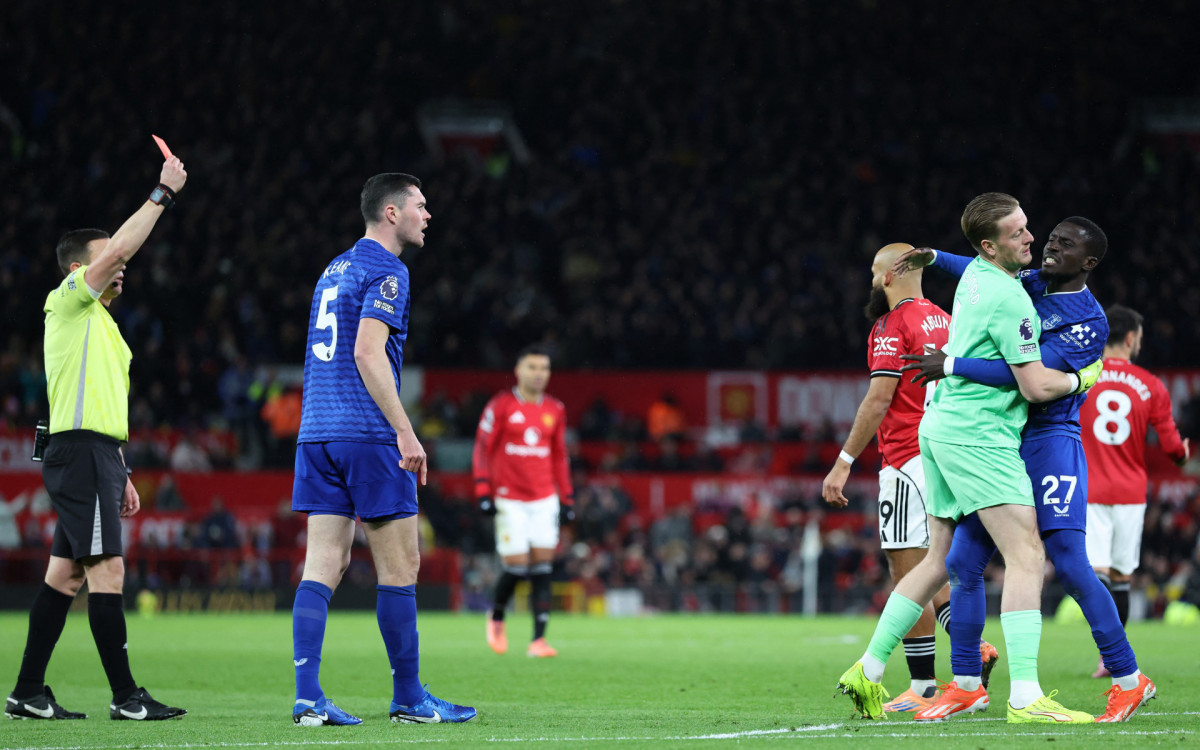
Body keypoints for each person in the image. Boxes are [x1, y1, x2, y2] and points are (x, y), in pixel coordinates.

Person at [835, 193, 1099, 724]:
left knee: (938, 560)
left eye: (1027, 227)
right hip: (980, 436)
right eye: (1018, 233)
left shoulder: (975, 275)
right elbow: (1034, 386)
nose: (1031, 238)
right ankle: (1025, 697)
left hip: (938, 429)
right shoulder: (1011, 300)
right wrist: (1083, 378)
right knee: (1027, 556)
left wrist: (934, 256)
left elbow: (960, 263)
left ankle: (868, 667)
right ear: (989, 246)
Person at [899, 220, 1156, 722]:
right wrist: (934, 257)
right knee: (962, 561)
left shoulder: (1089, 322)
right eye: (1052, 238)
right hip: (1003, 438)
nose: (1051, 246)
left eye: (1066, 244)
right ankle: (967, 684)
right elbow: (979, 268)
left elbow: (1029, 378)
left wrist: (952, 364)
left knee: (1070, 562)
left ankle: (1129, 679)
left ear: (1088, 263)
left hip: (1051, 442)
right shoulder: (1031, 281)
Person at [6, 156, 188, 721]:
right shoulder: (67, 300)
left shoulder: (102, 325)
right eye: (108, 256)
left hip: (95, 454)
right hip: (80, 453)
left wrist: (122, 469)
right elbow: (121, 248)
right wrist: (162, 193)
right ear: (78, 267)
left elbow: (101, 403)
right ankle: (126, 697)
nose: (121, 264)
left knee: (65, 577)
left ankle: (27, 693)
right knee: (108, 570)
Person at [289, 173, 475, 726]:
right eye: (420, 205)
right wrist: (405, 430)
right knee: (400, 567)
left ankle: (308, 698)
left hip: (317, 432)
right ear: (392, 213)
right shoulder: (389, 270)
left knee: (324, 563)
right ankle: (409, 698)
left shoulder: (334, 268)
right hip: (366, 435)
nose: (428, 214)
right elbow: (368, 353)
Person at [821, 242, 997, 713]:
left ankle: (923, 685)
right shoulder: (946, 318)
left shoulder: (892, 323)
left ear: (888, 276)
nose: (871, 281)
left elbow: (880, 398)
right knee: (935, 566)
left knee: (906, 571)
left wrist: (844, 460)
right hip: (949, 453)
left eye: (873, 272)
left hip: (907, 457)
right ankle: (970, 653)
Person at [1081, 305, 1188, 676]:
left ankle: (1107, 653)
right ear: (1130, 339)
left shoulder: (1083, 376)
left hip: (1090, 488)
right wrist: (1183, 452)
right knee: (1122, 577)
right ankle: (1112, 658)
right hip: (1130, 492)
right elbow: (1173, 450)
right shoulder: (1151, 384)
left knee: (1097, 574)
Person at [475, 344, 574, 658]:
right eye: (532, 367)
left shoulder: (555, 409)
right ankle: (496, 617)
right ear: (518, 370)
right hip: (510, 498)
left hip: (544, 498)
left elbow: (559, 456)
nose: (538, 373)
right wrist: (482, 490)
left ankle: (538, 640)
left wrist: (567, 498)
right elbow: (482, 449)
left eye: (544, 368)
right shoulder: (501, 406)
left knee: (543, 565)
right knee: (517, 567)